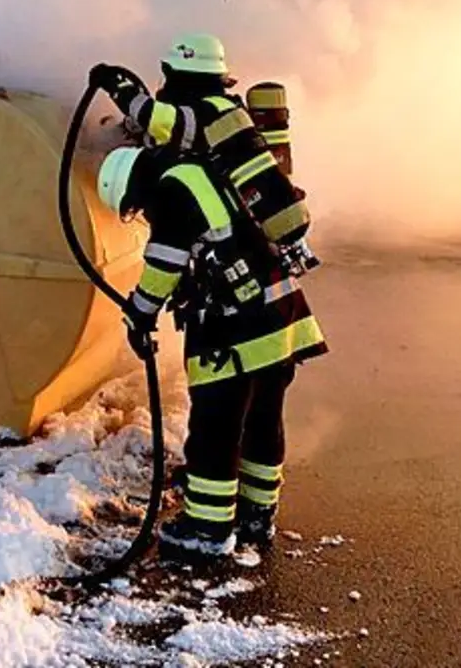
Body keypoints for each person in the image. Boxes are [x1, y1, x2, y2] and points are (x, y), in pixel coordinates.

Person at [96, 143, 328, 558]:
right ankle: (257, 513)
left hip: (236, 329)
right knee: (263, 421)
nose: (140, 214)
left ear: (136, 183)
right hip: (282, 317)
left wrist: (140, 314)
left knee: (215, 430)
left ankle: (207, 528)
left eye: (134, 206)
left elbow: (165, 262)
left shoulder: (171, 189)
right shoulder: (203, 170)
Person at [89, 33, 319, 278]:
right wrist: (108, 134)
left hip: (241, 243)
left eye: (171, 76)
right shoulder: (211, 115)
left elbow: (162, 122)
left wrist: (117, 88)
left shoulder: (214, 111)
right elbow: (163, 139)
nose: (166, 85)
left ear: (187, 78)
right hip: (243, 240)